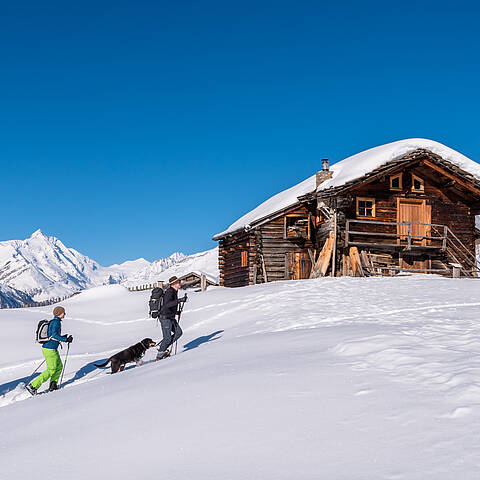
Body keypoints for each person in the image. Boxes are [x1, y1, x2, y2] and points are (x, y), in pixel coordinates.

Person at [26, 306, 73, 395]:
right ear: (60, 313)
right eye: (64, 312)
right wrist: (65, 340)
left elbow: (53, 335)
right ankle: (33, 386)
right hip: (50, 349)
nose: (65, 314)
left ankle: (53, 385)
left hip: (50, 348)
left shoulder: (55, 322)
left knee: (59, 367)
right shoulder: (56, 323)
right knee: (52, 369)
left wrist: (64, 337)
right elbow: (54, 335)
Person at [156, 276, 187, 361]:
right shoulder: (170, 292)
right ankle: (160, 355)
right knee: (167, 338)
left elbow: (169, 306)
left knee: (178, 333)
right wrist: (179, 300)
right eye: (178, 282)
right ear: (173, 284)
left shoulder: (174, 291)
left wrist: (176, 312)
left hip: (170, 317)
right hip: (165, 318)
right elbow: (167, 304)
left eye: (179, 281)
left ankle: (163, 347)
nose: (180, 283)